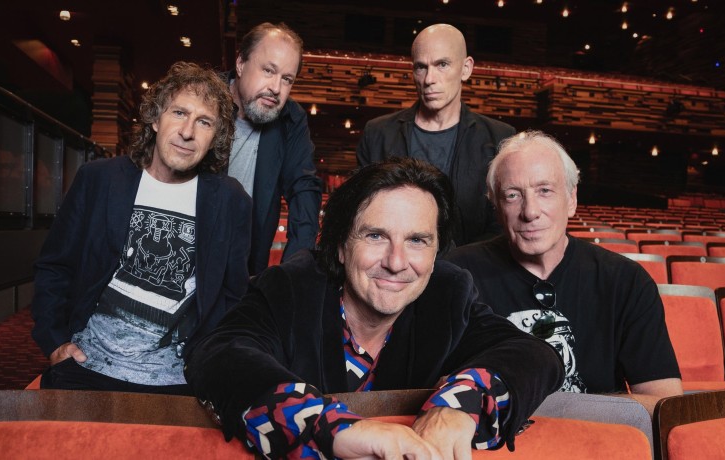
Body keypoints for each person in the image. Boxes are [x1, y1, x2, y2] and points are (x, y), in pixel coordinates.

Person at [185, 158, 563, 459]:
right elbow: (218, 354)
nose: (396, 262)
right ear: (340, 246)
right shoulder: (290, 286)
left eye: (417, 240)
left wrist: (459, 404)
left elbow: (534, 356)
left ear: (435, 253)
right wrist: (330, 428)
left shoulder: (448, 294)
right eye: (376, 235)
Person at [31, 61, 251, 395]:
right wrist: (54, 342)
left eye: (204, 122)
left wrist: (210, 362)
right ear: (156, 118)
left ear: (214, 137)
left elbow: (233, 297)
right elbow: (54, 266)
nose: (188, 131)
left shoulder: (230, 201)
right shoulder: (99, 179)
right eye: (179, 113)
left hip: (178, 379)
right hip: (87, 364)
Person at [445, 131, 682, 439]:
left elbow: (664, 405)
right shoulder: (455, 275)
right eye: (513, 195)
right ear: (496, 206)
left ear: (571, 199)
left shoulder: (626, 280)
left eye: (545, 191)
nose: (530, 212)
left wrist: (539, 407)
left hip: (594, 445)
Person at [357, 23, 515, 248]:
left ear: (466, 69)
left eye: (442, 64)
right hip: (396, 262)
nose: (429, 79)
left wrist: (459, 261)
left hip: (473, 265)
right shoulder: (378, 134)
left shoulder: (499, 137)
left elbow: (503, 222)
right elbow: (361, 213)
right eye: (421, 67)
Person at [222, 22, 322, 274]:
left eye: (287, 79)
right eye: (268, 70)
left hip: (245, 264)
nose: (276, 88)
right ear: (241, 63)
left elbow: (304, 188)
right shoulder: (201, 97)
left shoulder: (292, 119)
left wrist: (294, 270)